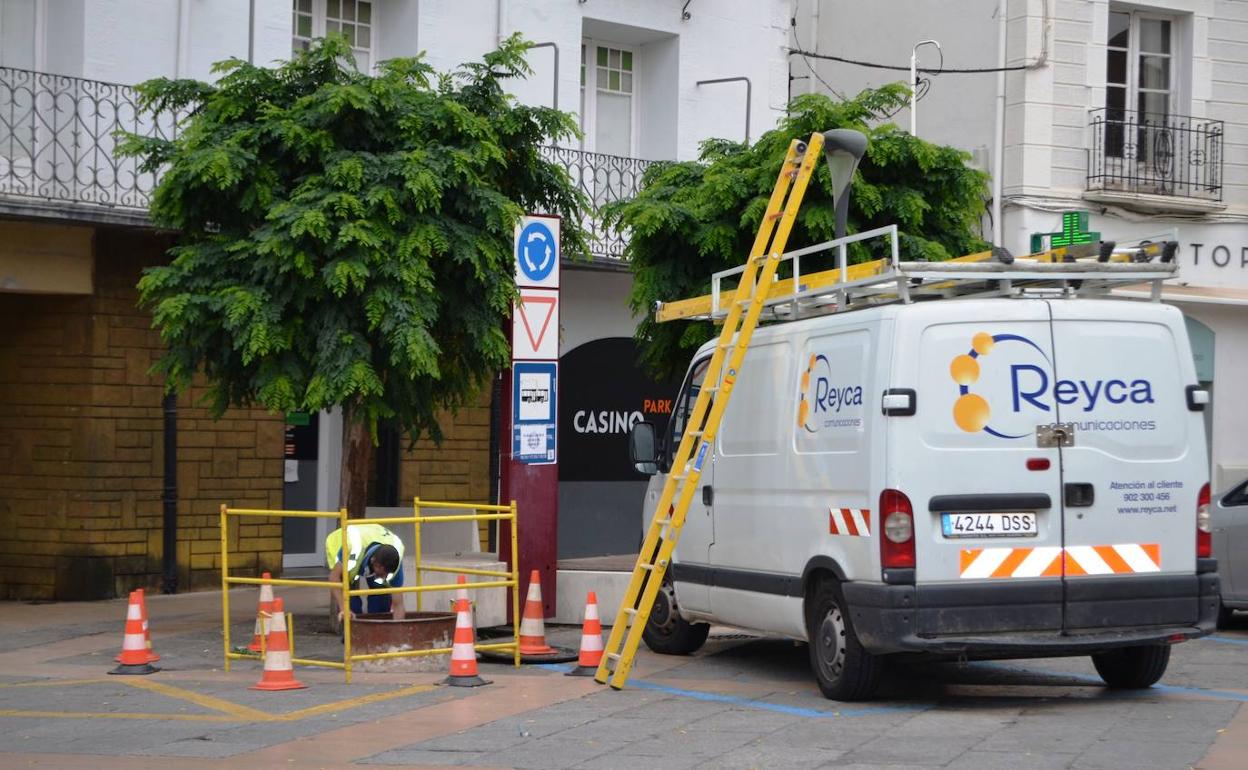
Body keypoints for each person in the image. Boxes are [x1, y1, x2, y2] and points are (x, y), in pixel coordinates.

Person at [325, 523, 406, 628]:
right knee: (350, 604)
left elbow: (398, 604)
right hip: (340, 544)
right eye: (382, 574)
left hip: (374, 537)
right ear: (374, 563)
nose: (385, 577)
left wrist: (397, 633)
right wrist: (344, 609)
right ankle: (353, 635)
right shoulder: (351, 547)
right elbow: (333, 578)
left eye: (387, 574)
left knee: (382, 599)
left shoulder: (395, 562)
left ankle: (378, 632)